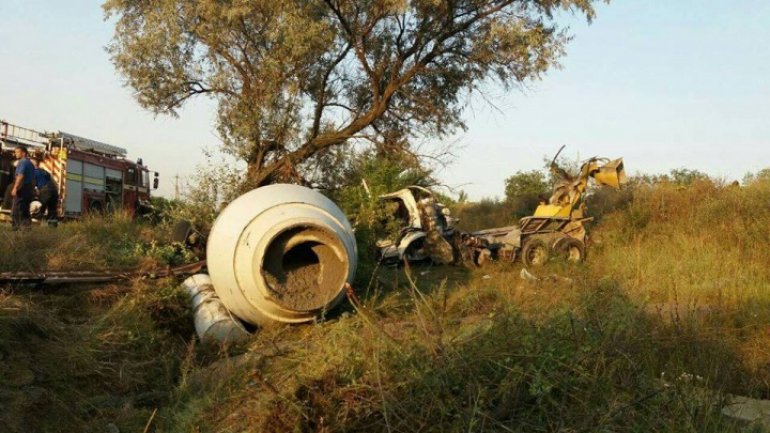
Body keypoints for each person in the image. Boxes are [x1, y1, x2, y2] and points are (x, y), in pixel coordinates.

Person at [11, 146, 35, 230]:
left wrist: (15, 188)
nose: (15, 154)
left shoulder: (22, 162)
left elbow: (20, 176)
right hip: (29, 190)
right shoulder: (30, 164)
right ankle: (27, 230)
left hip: (22, 189)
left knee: (16, 211)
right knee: (25, 211)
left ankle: (16, 230)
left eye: (18, 152)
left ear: (23, 153)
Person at [31, 158, 59, 223]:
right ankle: (52, 228)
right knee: (52, 211)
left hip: (45, 191)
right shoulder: (45, 171)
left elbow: (32, 185)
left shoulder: (33, 172)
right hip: (54, 191)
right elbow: (54, 182)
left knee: (39, 209)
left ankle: (35, 226)